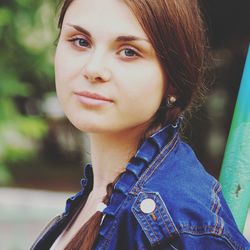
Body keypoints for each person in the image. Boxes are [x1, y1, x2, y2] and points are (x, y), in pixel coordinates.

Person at [31, 0, 250, 249]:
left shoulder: (179, 223)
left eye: (129, 52)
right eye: (81, 41)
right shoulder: (98, 195)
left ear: (174, 81)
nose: (93, 69)